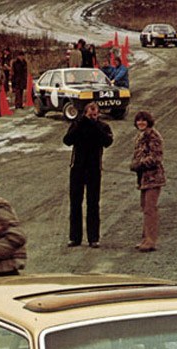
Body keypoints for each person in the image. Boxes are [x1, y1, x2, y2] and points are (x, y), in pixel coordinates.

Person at [62, 101, 113, 248]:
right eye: (90, 114)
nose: (93, 116)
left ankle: (93, 238)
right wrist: (82, 123)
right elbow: (67, 140)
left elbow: (107, 141)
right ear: (85, 113)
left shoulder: (103, 126)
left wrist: (94, 125)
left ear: (99, 114)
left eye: (95, 114)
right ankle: (74, 238)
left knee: (93, 204)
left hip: (94, 169)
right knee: (75, 204)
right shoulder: (78, 124)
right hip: (77, 168)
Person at [129, 110, 165, 252]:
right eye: (138, 120)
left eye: (144, 120)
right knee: (145, 207)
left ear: (149, 121)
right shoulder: (140, 136)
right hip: (143, 178)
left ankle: (151, 240)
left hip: (153, 177)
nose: (141, 123)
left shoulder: (153, 136)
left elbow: (156, 157)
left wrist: (139, 164)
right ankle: (146, 238)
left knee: (150, 208)